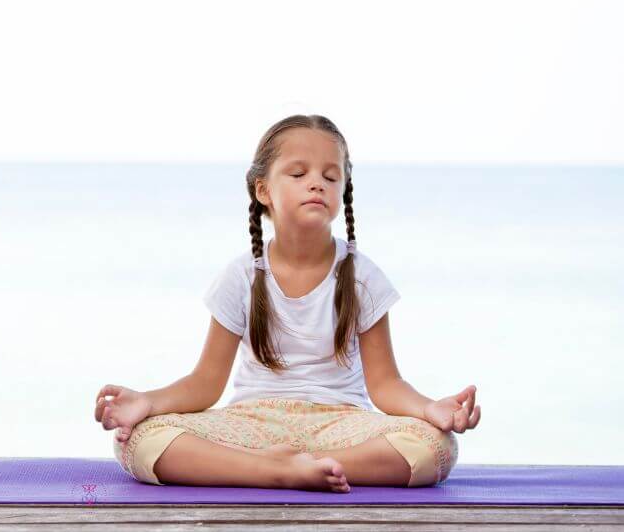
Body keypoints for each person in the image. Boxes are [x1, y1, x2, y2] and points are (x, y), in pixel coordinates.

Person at [93, 114, 481, 493]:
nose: (317, 183)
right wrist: (148, 402)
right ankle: (273, 471)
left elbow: (385, 385)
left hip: (340, 426)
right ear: (263, 191)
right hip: (252, 422)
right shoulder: (242, 276)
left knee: (435, 447)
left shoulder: (362, 275)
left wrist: (431, 410)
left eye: (330, 176)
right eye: (299, 174)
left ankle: (295, 466)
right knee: (139, 440)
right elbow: (205, 384)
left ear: (342, 192)